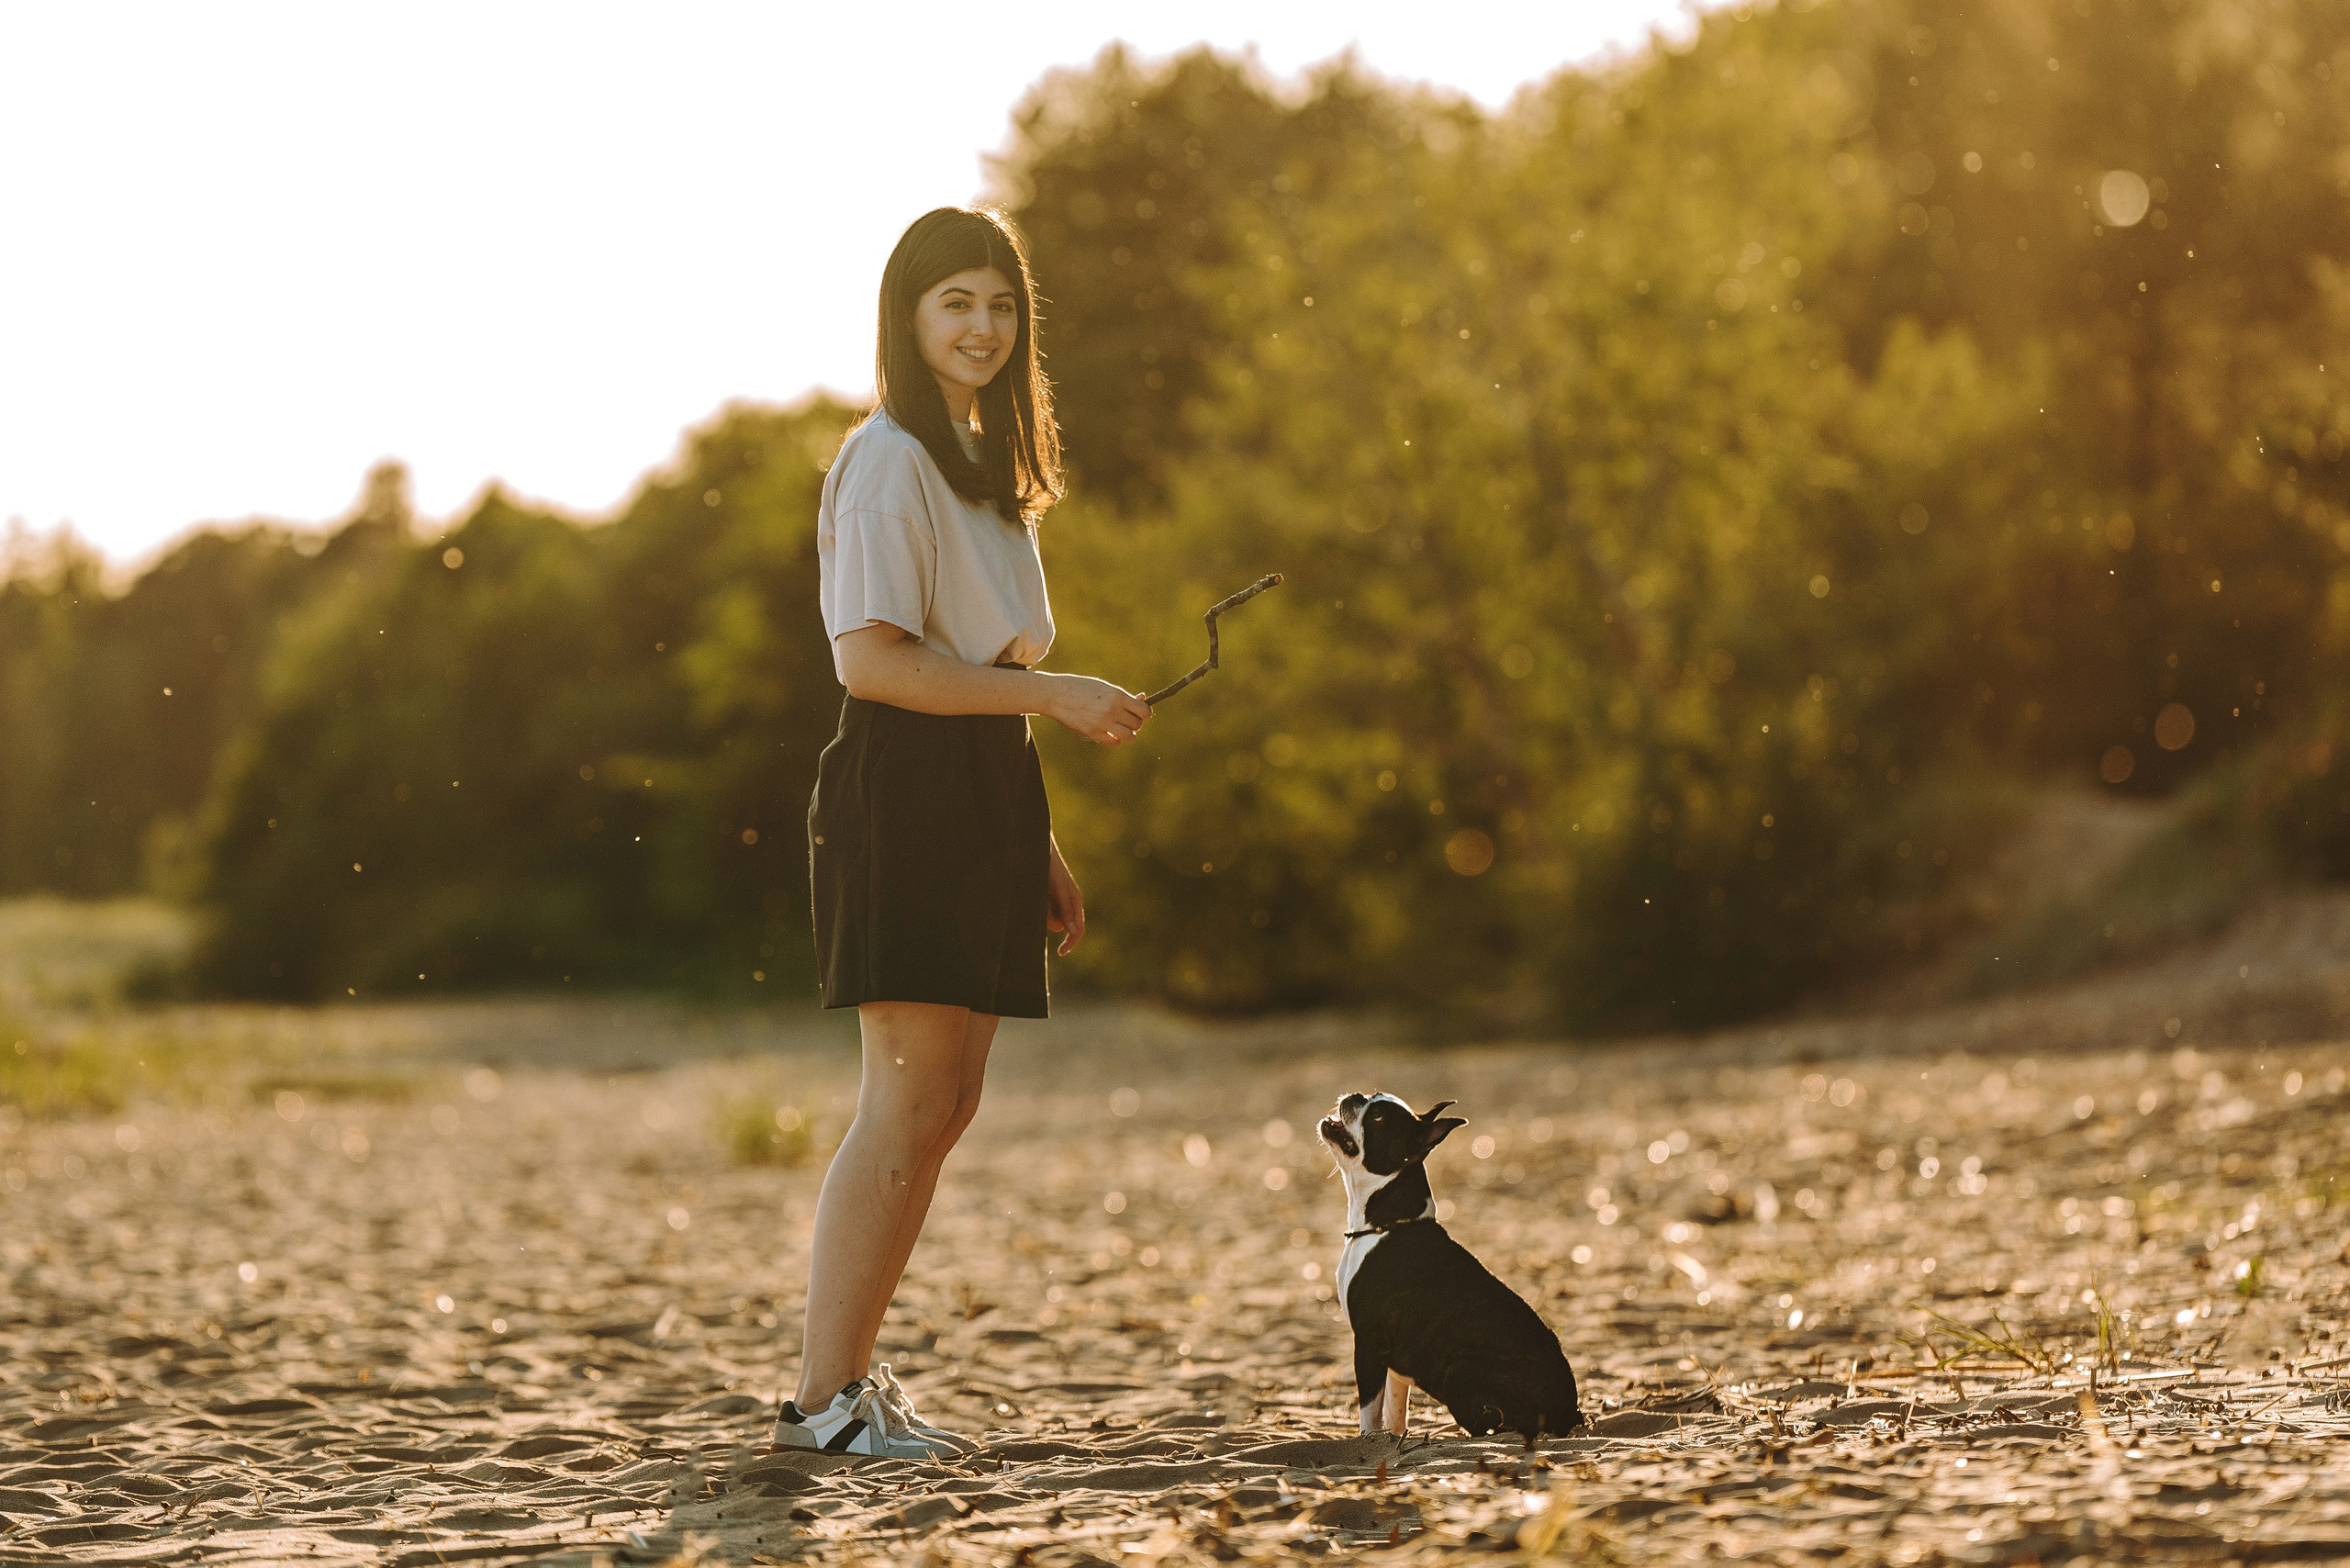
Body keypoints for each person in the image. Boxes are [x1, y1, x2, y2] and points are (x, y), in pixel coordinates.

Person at [774, 207, 1154, 1458]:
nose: (981, 327)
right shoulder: (888, 457)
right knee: (907, 1100)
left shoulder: (988, 463)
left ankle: (847, 1392)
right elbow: (874, 663)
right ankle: (825, 1405)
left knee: (944, 1103)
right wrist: (1054, 694)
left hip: (986, 782)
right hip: (908, 783)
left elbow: (979, 655)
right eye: (955, 305)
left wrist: (1032, 835)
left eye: (1000, 305)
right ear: (909, 318)